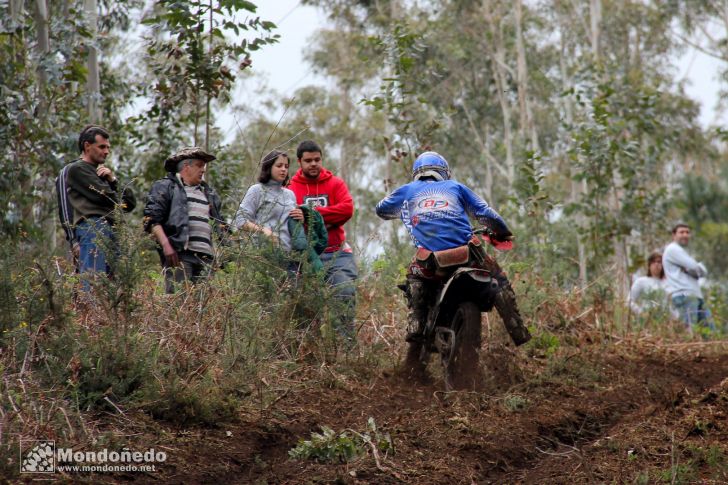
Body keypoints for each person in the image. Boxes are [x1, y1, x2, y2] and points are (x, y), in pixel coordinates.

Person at [375, 151, 529, 345]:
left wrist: (404, 210)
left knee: (414, 275)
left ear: (416, 173)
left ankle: (417, 323)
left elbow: (381, 209)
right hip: (468, 254)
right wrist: (503, 232)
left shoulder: (408, 190)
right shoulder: (456, 187)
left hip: (431, 259)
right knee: (498, 277)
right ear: (444, 172)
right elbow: (486, 213)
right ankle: (517, 329)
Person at [288, 140, 358, 342]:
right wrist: (329, 217)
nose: (313, 164)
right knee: (305, 305)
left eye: (317, 160)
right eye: (308, 160)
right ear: (300, 162)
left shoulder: (335, 184)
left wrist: (311, 215)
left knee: (344, 293)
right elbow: (289, 219)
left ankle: (347, 348)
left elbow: (347, 210)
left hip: (337, 254)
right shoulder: (291, 189)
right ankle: (309, 351)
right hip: (306, 258)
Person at [143, 147, 226, 293]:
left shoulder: (209, 193)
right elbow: (151, 219)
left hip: (206, 258)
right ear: (186, 167)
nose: (203, 170)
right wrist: (166, 245)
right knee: (178, 303)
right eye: (199, 165)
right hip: (180, 255)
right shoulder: (167, 186)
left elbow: (221, 225)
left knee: (203, 308)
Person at [66, 125, 136, 288]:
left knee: (114, 287)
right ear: (87, 146)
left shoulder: (103, 174)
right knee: (93, 282)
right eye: (102, 147)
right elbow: (105, 196)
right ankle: (90, 314)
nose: (106, 152)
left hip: (112, 228)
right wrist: (113, 192)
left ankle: (105, 315)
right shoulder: (77, 169)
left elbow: (130, 202)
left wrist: (113, 180)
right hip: (94, 227)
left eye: (108, 148)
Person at [233, 150, 299, 273]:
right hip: (264, 257)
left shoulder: (290, 195)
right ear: (268, 167)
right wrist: (263, 230)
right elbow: (240, 220)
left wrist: (301, 217)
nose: (284, 169)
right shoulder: (257, 190)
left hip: (290, 259)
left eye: (286, 166)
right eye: (279, 166)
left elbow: (294, 225)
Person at [662, 223, 714, 332]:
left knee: (709, 331)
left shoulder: (683, 252)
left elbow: (702, 272)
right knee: (690, 331)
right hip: (684, 295)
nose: (685, 235)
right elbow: (694, 266)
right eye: (681, 232)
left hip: (695, 294)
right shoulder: (673, 249)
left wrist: (693, 269)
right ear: (673, 235)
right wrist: (694, 269)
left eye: (687, 232)